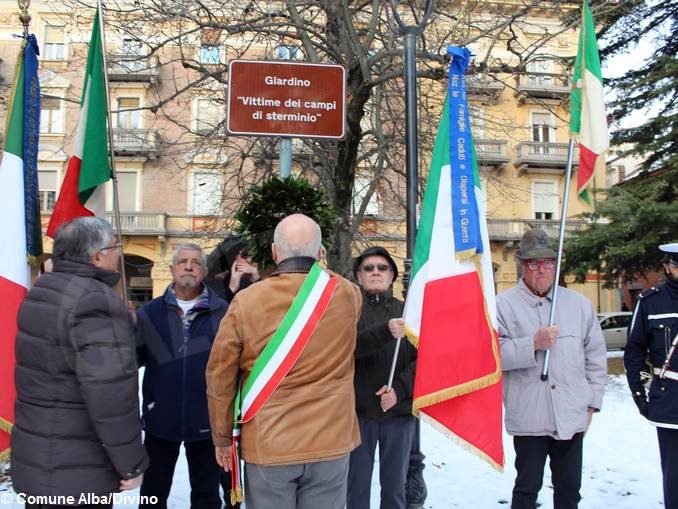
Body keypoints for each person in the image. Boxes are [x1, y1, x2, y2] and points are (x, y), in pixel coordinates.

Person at [206, 213, 362, 509]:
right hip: (331, 440)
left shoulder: (246, 301)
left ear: (274, 253)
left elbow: (220, 375)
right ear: (320, 253)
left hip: (269, 443)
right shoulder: (348, 294)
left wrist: (223, 437)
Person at [11, 217, 148, 508]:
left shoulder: (41, 292)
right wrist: (131, 464)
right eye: (115, 246)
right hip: (76, 469)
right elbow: (110, 396)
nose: (119, 253)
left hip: (38, 459)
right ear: (97, 256)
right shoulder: (94, 301)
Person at [497, 229, 606, 509]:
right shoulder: (502, 306)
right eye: (534, 263)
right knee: (526, 489)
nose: (542, 270)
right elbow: (493, 356)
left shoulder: (579, 305)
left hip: (571, 414)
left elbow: (595, 357)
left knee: (569, 490)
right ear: (522, 265)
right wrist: (532, 343)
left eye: (548, 262)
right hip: (530, 417)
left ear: (556, 265)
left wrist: (592, 403)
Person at [135, 243, 227, 508]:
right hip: (160, 420)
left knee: (207, 496)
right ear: (173, 268)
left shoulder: (224, 312)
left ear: (205, 271)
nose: (189, 266)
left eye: (196, 262)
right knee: (152, 494)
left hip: (207, 421)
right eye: (183, 261)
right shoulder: (148, 313)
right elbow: (131, 360)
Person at [347, 246, 416, 509]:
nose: (376, 272)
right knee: (356, 489)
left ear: (392, 276)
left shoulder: (409, 311)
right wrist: (385, 331)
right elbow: (347, 350)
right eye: (368, 268)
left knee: (395, 491)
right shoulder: (347, 312)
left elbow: (425, 360)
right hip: (358, 415)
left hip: (398, 414)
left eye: (383, 267)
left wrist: (399, 389)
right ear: (359, 276)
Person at [624, 242, 678, 509]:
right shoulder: (650, 302)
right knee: (674, 478)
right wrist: (640, 392)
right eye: (677, 264)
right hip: (670, 402)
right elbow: (634, 352)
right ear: (667, 267)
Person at [205, 234, 259, 303]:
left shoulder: (258, 279)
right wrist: (232, 288)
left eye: (254, 254)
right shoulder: (214, 283)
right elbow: (216, 310)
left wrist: (257, 280)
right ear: (232, 259)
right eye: (245, 254)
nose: (250, 259)